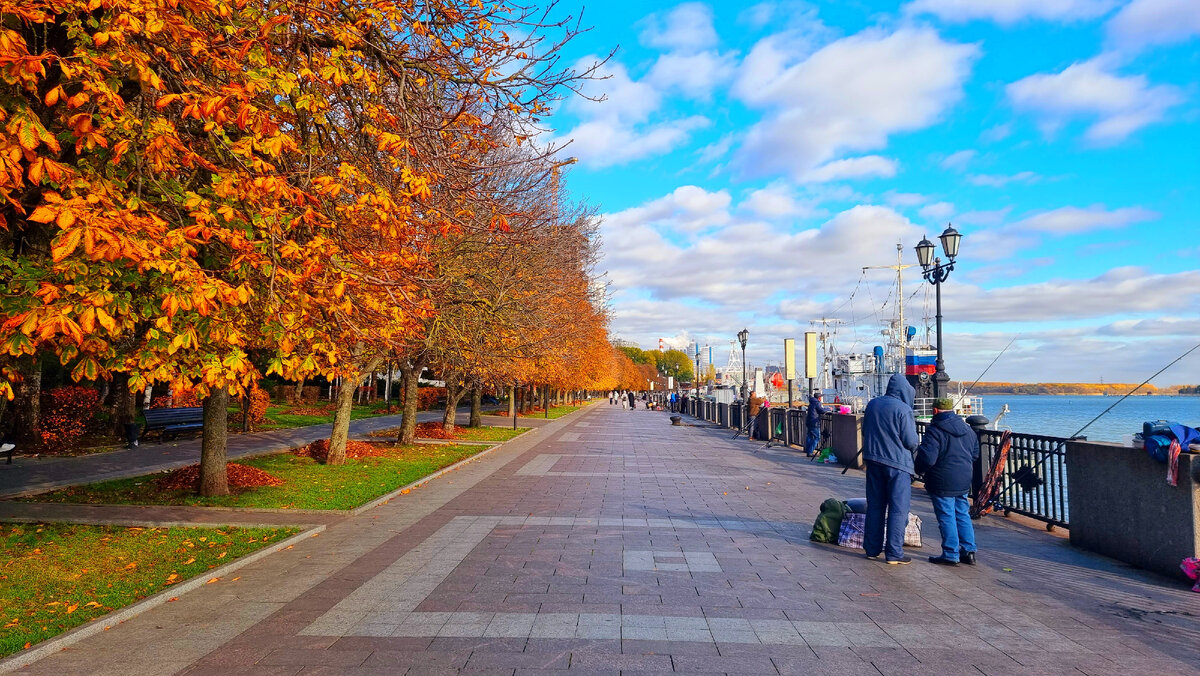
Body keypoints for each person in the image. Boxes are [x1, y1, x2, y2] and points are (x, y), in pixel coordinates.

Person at [861, 374, 919, 565]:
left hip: (873, 460)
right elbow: (910, 441)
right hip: (897, 464)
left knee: (875, 506)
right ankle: (894, 553)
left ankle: (872, 548)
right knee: (898, 509)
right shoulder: (903, 409)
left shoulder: (873, 404)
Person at [915, 397, 979, 566]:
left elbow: (928, 458)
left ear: (935, 410)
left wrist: (918, 469)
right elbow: (975, 454)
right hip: (964, 478)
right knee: (962, 514)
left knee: (946, 516)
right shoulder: (968, 430)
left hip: (941, 479)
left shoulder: (934, 430)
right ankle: (969, 551)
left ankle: (951, 553)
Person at [805, 392, 826, 457]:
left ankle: (807, 450)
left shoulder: (811, 403)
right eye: (821, 397)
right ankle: (810, 452)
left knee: (810, 436)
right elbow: (821, 410)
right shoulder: (817, 403)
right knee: (817, 437)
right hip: (815, 422)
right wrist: (828, 409)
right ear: (819, 398)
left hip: (809, 421)